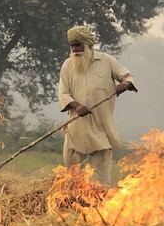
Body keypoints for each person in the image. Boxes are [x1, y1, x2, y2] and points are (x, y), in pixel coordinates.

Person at [58, 26, 137, 187]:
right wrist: (77, 105)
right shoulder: (67, 65)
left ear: (88, 44)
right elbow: (63, 93)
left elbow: (128, 76)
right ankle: (70, 204)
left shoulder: (107, 61)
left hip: (101, 126)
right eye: (72, 46)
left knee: (100, 180)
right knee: (71, 176)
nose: (75, 50)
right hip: (76, 127)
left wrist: (125, 84)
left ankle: (99, 205)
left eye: (78, 45)